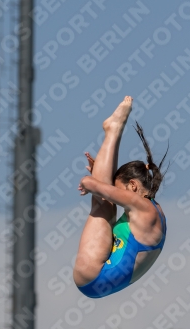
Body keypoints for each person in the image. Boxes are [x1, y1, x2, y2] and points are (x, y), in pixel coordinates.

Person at [73, 96, 168, 299]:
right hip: (96, 281)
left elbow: (90, 184)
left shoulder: (142, 207)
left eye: (121, 190)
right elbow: (101, 187)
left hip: (93, 275)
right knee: (104, 200)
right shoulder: (154, 210)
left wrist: (94, 181)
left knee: (104, 204)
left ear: (132, 186)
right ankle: (113, 128)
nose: (120, 197)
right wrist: (99, 177)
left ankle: (114, 128)